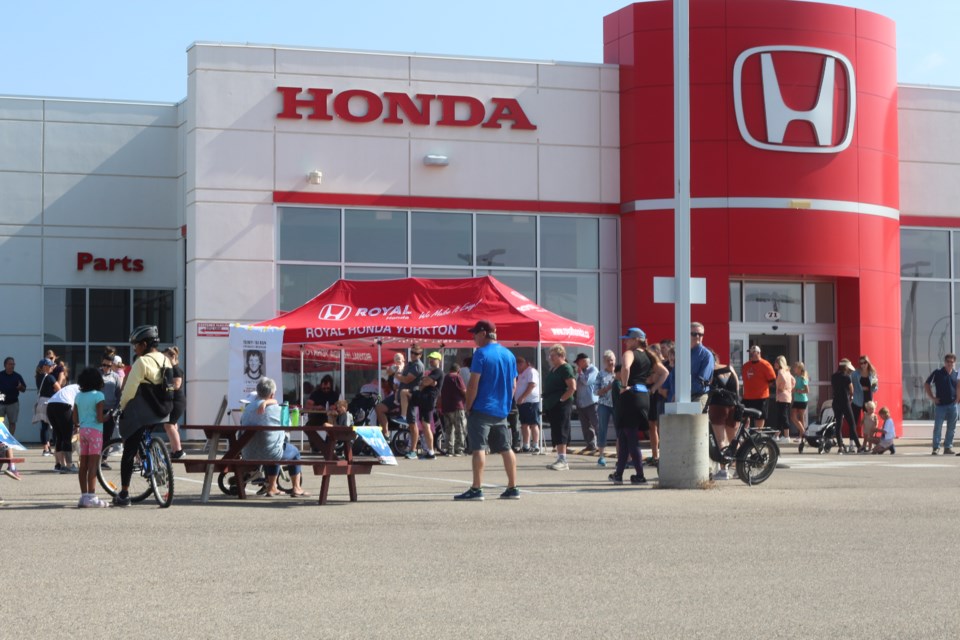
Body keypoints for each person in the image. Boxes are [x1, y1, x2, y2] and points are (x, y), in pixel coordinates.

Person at [454, 320, 519, 501]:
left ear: (483, 333)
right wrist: (505, 402)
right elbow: (514, 384)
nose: (473, 337)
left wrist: (468, 405)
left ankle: (476, 489)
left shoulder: (481, 354)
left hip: (482, 408)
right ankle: (513, 487)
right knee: (506, 448)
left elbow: (473, 384)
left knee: (479, 448)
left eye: (475, 333)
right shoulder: (509, 355)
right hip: (501, 410)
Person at [112, 325, 173, 507]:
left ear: (144, 344)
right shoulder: (165, 360)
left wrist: (121, 407)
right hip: (163, 410)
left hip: (143, 411)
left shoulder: (142, 362)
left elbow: (130, 390)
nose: (134, 349)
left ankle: (123, 494)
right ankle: (154, 460)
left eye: (136, 345)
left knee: (129, 450)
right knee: (146, 436)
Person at [611, 327, 667, 485]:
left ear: (636, 340)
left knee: (630, 437)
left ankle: (640, 475)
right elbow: (664, 373)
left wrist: (623, 385)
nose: (625, 342)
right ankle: (618, 473)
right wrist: (654, 389)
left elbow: (626, 367)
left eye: (628, 339)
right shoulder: (649, 356)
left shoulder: (630, 353)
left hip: (630, 396)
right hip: (643, 396)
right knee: (623, 436)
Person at [240, 377, 309, 497]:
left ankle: (272, 487)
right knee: (294, 452)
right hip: (270, 453)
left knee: (273, 443)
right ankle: (296, 488)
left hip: (248, 453)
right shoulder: (277, 410)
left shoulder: (247, 409)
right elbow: (289, 426)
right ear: (272, 394)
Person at [73, 367, 109, 507]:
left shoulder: (78, 396)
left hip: (83, 431)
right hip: (95, 432)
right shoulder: (99, 395)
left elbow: (74, 419)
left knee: (83, 464)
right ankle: (92, 497)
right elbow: (100, 418)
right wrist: (109, 416)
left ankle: (83, 496)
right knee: (94, 465)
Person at [707, 349, 740, 480]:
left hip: (717, 407)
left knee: (720, 439)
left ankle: (723, 470)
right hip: (733, 406)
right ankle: (739, 468)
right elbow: (737, 389)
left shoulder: (709, 372)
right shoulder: (730, 368)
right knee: (733, 440)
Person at [542, 344, 577, 471]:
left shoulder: (565, 368)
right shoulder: (554, 369)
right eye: (550, 355)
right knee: (556, 430)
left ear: (561, 355)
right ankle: (559, 458)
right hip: (552, 404)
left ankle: (563, 460)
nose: (550, 358)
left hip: (562, 404)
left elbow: (572, 387)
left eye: (553, 356)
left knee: (562, 429)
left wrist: (561, 399)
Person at [924, 353, 960, 455]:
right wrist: (932, 398)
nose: (950, 364)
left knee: (951, 428)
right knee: (938, 427)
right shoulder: (938, 373)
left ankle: (948, 447)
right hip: (940, 406)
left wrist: (958, 398)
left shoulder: (956, 374)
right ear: (944, 362)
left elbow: (959, 387)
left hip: (953, 405)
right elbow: (927, 384)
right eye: (948, 362)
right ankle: (936, 447)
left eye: (952, 362)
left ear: (954, 363)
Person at [395, 345, 426, 459]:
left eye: (415, 353)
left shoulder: (418, 365)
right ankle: (410, 449)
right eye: (412, 352)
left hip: (413, 395)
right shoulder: (409, 364)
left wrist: (397, 375)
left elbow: (407, 379)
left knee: (413, 424)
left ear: (420, 355)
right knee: (411, 424)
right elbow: (401, 377)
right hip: (406, 396)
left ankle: (413, 451)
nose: (413, 355)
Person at [0, 357, 27, 479]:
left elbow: (24, 389)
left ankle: (9, 441)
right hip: (1, 402)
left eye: (13, 364)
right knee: (0, 423)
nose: (12, 366)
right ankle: (2, 441)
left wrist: (20, 387)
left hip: (13, 403)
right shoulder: (1, 375)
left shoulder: (17, 376)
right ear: (5, 365)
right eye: (10, 364)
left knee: (12, 423)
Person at [414, 352, 443, 459]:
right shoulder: (431, 372)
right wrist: (425, 381)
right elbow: (422, 383)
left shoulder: (438, 371)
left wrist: (426, 382)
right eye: (430, 359)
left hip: (429, 401)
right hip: (423, 400)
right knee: (424, 425)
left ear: (439, 360)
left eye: (433, 359)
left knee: (426, 426)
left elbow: (425, 383)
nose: (431, 360)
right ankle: (429, 451)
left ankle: (431, 452)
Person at [46, 380, 81, 474]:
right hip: (63, 405)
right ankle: (69, 465)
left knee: (59, 436)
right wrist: (77, 424)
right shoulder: (83, 390)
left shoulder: (73, 387)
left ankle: (60, 465)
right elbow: (78, 409)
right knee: (67, 437)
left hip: (50, 405)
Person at [832, 359, 862, 454]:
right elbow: (851, 390)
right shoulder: (847, 377)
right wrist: (851, 396)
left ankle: (840, 446)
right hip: (845, 402)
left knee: (838, 424)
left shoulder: (833, 376)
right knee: (852, 424)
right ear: (846, 367)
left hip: (835, 402)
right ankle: (858, 446)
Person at [741, 346, 775, 430]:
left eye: (753, 352)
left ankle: (758, 436)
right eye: (750, 353)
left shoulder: (765, 364)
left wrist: (760, 387)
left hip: (761, 397)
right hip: (747, 397)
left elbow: (772, 381)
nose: (751, 354)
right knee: (742, 415)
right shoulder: (745, 366)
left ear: (759, 353)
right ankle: (745, 432)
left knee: (759, 417)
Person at [573, 353, 600, 453]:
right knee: (586, 426)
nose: (577, 365)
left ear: (583, 361)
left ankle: (601, 445)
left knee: (596, 424)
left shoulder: (593, 370)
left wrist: (580, 373)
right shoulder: (583, 372)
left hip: (591, 402)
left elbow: (587, 381)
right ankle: (590, 445)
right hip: (581, 403)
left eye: (578, 362)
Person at [514, 356, 541, 454]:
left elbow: (532, 385)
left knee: (533, 423)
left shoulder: (531, 371)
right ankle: (526, 445)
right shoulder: (521, 374)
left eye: (517, 366)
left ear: (522, 364)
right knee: (524, 424)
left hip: (531, 401)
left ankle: (535, 445)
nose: (517, 369)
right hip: (523, 402)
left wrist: (523, 397)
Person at [163, 346, 186, 459]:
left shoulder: (176, 369)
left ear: (173, 357)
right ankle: (174, 450)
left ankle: (179, 450)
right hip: (174, 400)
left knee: (169, 425)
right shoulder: (171, 369)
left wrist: (165, 387)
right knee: (172, 425)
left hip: (178, 401)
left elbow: (176, 385)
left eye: (165, 358)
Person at [375, 353, 406, 437]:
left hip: (405, 395)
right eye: (396, 358)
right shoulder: (394, 368)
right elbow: (388, 376)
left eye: (399, 358)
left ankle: (386, 433)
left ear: (403, 360)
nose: (397, 360)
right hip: (396, 394)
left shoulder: (406, 368)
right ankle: (385, 433)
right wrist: (393, 384)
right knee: (378, 408)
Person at [595, 350, 617, 467]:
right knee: (602, 429)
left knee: (620, 430)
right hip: (604, 404)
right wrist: (607, 388)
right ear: (604, 362)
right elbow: (596, 391)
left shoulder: (619, 373)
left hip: (617, 405)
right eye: (608, 360)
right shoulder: (601, 374)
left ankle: (621, 456)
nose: (610, 362)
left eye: (612, 360)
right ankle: (601, 456)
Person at [34, 358, 60, 457]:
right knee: (54, 426)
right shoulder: (50, 377)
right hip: (49, 403)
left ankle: (46, 448)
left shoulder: (38, 377)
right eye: (50, 365)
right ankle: (53, 448)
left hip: (41, 402)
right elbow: (59, 389)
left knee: (44, 427)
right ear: (44, 367)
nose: (52, 367)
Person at [440, 362, 467, 456]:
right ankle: (459, 449)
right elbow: (463, 390)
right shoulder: (457, 377)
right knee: (460, 429)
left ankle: (449, 449)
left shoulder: (445, 377)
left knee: (449, 430)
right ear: (458, 371)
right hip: (457, 406)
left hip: (446, 407)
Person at [852, 355, 879, 443]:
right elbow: (850, 385)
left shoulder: (872, 373)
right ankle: (852, 442)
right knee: (854, 421)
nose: (863, 365)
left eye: (865, 363)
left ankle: (868, 442)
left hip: (868, 400)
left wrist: (873, 386)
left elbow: (875, 388)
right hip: (857, 399)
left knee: (870, 422)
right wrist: (861, 388)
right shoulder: (855, 374)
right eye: (861, 363)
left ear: (868, 363)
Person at [690, 322, 715, 410]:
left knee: (694, 422)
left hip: (699, 395)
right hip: (683, 396)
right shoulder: (683, 353)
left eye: (700, 334)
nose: (697, 336)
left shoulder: (706, 355)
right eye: (694, 334)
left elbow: (702, 381)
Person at [773, 355, 795, 442]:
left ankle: (786, 436)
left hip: (781, 396)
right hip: (787, 396)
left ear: (779, 363)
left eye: (776, 362)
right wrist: (789, 389)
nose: (774, 364)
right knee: (781, 416)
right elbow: (794, 381)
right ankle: (777, 435)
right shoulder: (788, 372)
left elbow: (782, 381)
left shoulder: (780, 372)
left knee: (783, 416)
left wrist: (781, 387)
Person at [790, 361, 809, 442]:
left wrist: (798, 390)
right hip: (796, 400)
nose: (794, 369)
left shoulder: (803, 378)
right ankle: (803, 432)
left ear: (800, 369)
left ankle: (801, 435)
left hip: (802, 400)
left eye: (796, 367)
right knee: (793, 416)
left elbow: (807, 390)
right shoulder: (795, 377)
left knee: (801, 417)